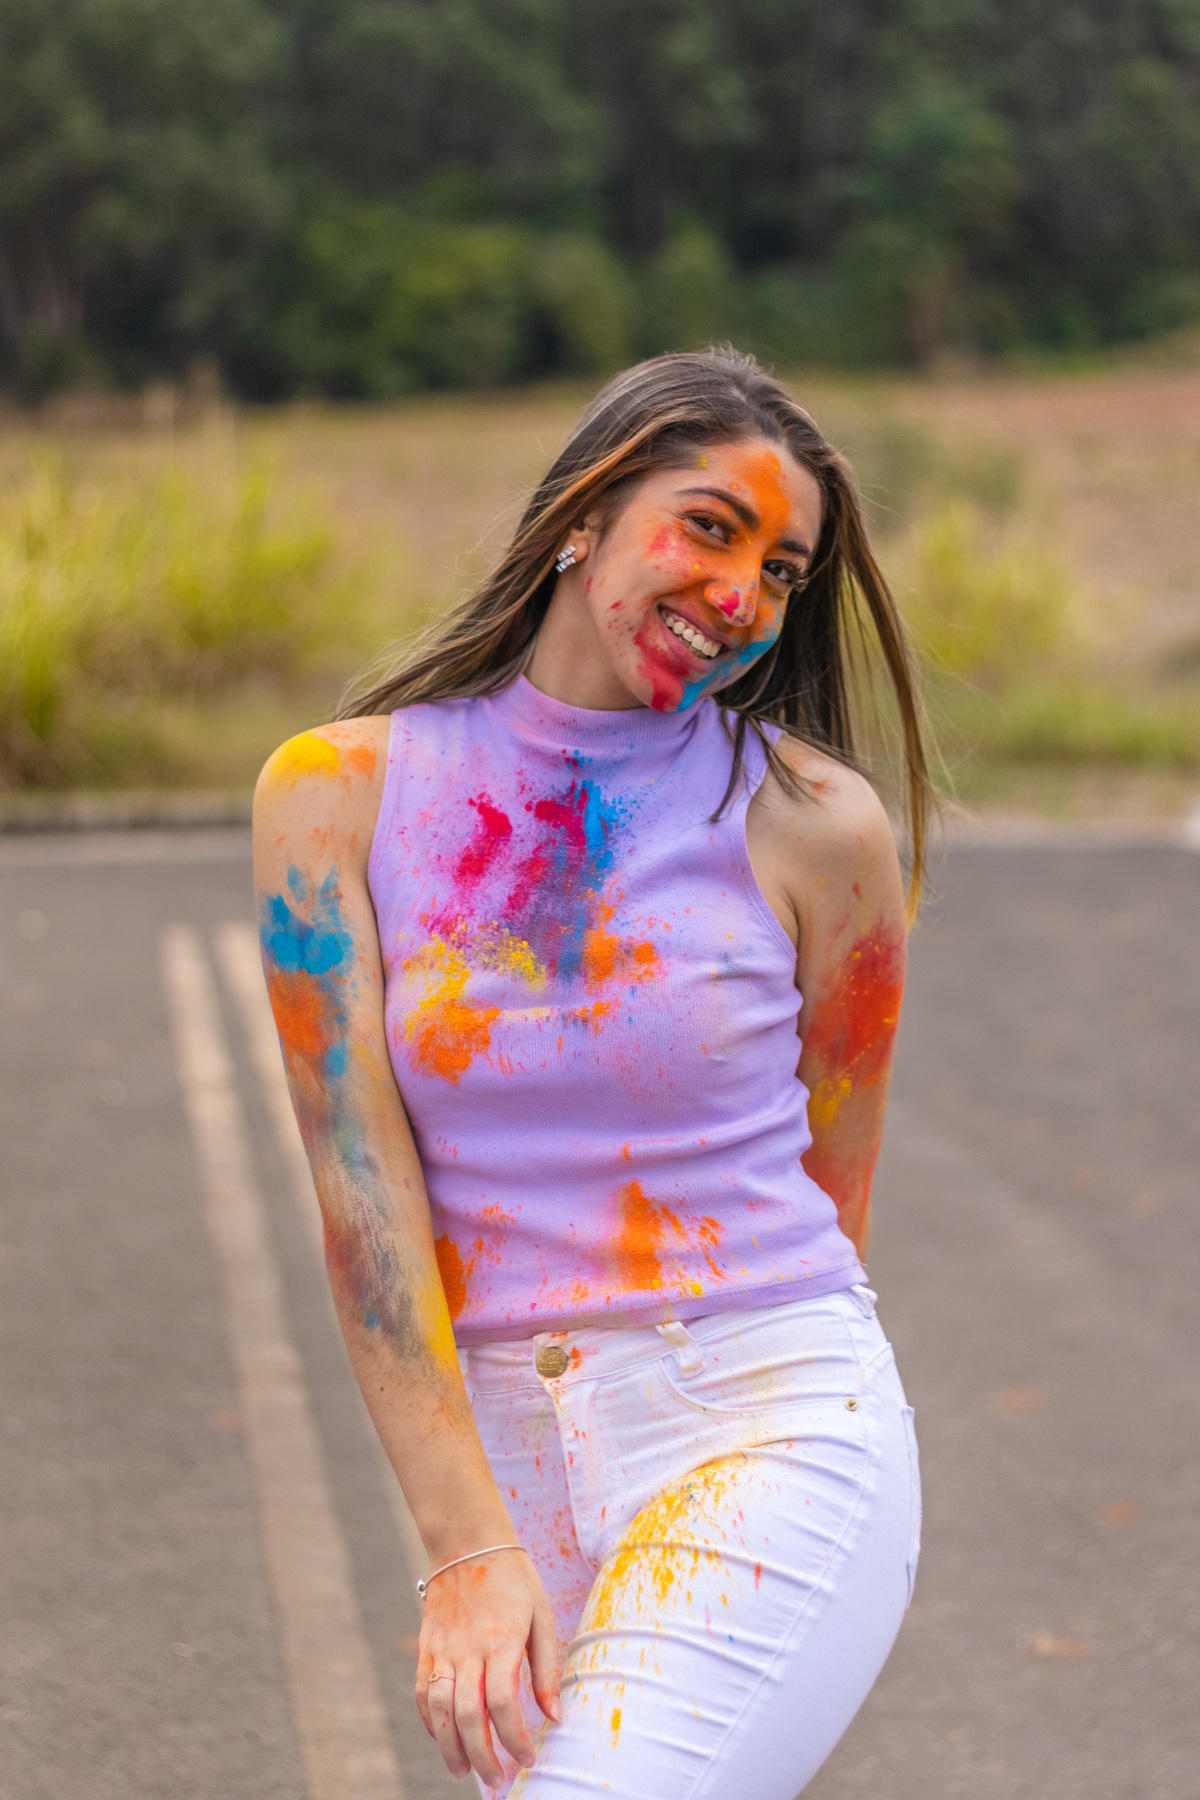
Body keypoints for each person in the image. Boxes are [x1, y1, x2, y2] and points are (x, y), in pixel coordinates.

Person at [253, 348, 931, 1799]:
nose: (741, 595)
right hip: (511, 1456)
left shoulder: (818, 825)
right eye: (709, 528)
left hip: (766, 1411)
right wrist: (464, 1545)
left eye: (782, 571)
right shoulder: (335, 796)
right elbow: (364, 1204)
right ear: (584, 515)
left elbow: (836, 1188)